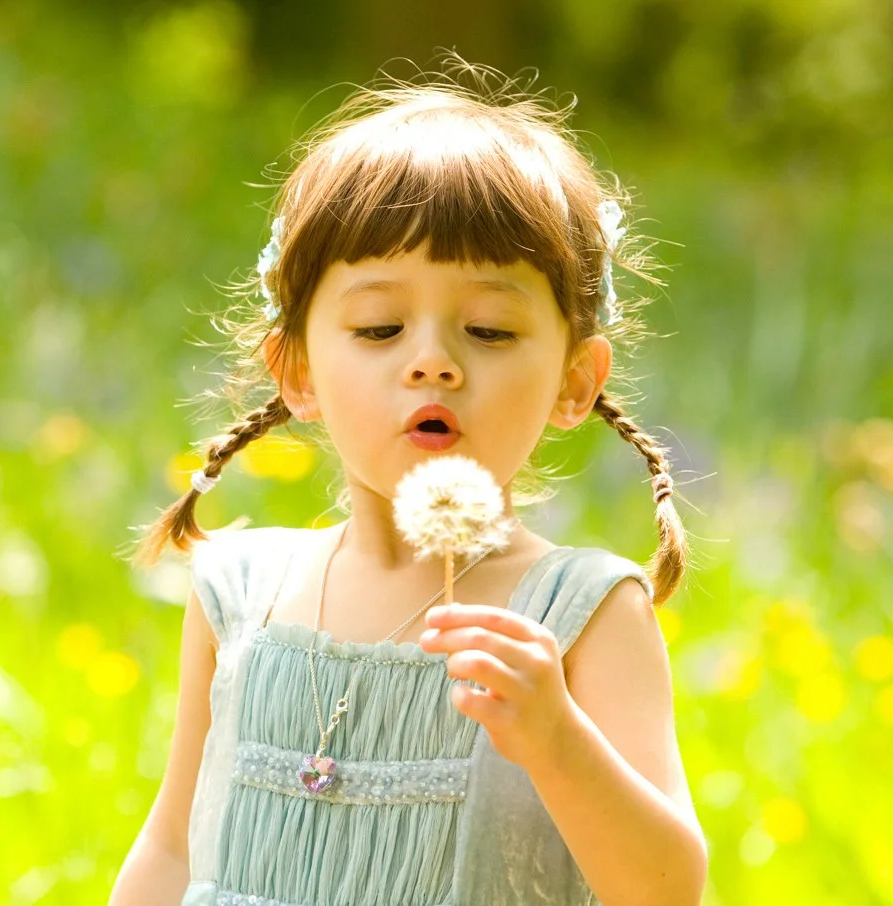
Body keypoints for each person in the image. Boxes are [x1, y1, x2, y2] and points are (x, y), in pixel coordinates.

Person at [109, 58, 708, 906]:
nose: (432, 361)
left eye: (491, 330)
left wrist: (557, 742)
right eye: (379, 326)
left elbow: (666, 891)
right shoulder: (238, 593)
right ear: (297, 371)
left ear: (575, 379)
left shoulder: (580, 615)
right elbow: (173, 845)